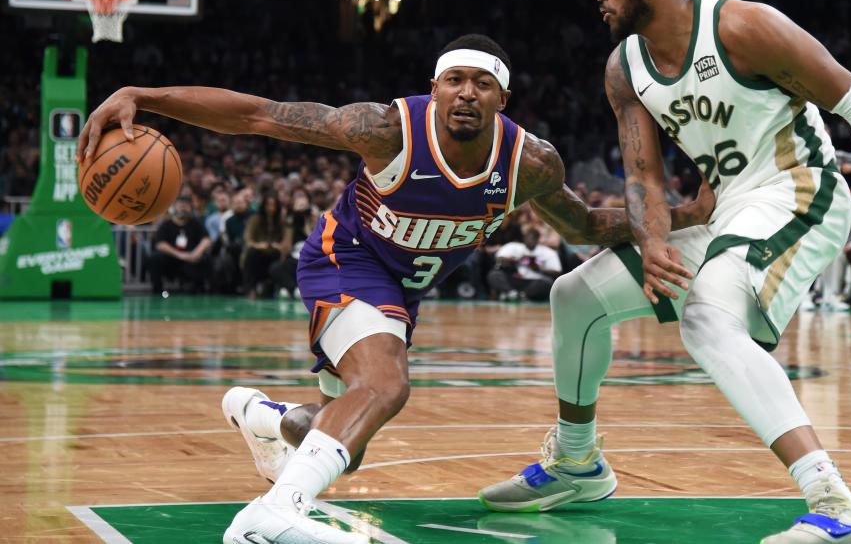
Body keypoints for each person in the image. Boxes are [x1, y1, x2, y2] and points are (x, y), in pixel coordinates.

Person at [78, 33, 716, 544]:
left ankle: (265, 417)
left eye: (483, 83)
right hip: (342, 260)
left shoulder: (530, 164)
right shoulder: (385, 129)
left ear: (504, 99)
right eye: (454, 80)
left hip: (400, 294)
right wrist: (146, 94)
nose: (467, 92)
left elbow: (584, 225)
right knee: (385, 385)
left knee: (339, 435)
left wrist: (683, 216)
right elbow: (259, 115)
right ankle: (273, 514)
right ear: (433, 88)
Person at [478, 0, 851, 544]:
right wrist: (654, 239)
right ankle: (579, 463)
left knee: (705, 319)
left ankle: (838, 503)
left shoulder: (742, 26)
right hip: (727, 213)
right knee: (575, 297)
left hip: (799, 193)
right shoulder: (624, 67)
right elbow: (643, 176)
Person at [147, 195, 212, 294]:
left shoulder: (196, 223)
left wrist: (196, 253)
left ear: (191, 208)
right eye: (180, 205)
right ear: (174, 207)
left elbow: (206, 239)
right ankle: (157, 290)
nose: (183, 207)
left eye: (186, 205)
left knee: (206, 258)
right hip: (172, 258)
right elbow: (160, 244)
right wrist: (180, 255)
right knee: (154, 258)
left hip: (191, 258)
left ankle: (199, 289)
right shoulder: (166, 224)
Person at [487, 227, 563, 301]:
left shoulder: (547, 252)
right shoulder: (513, 246)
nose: (530, 240)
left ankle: (520, 295)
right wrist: (516, 260)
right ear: (524, 237)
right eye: (528, 237)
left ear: (537, 239)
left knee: (547, 283)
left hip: (534, 281)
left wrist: (539, 269)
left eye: (533, 238)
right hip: (514, 279)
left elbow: (557, 272)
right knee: (494, 275)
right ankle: (511, 293)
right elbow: (498, 258)